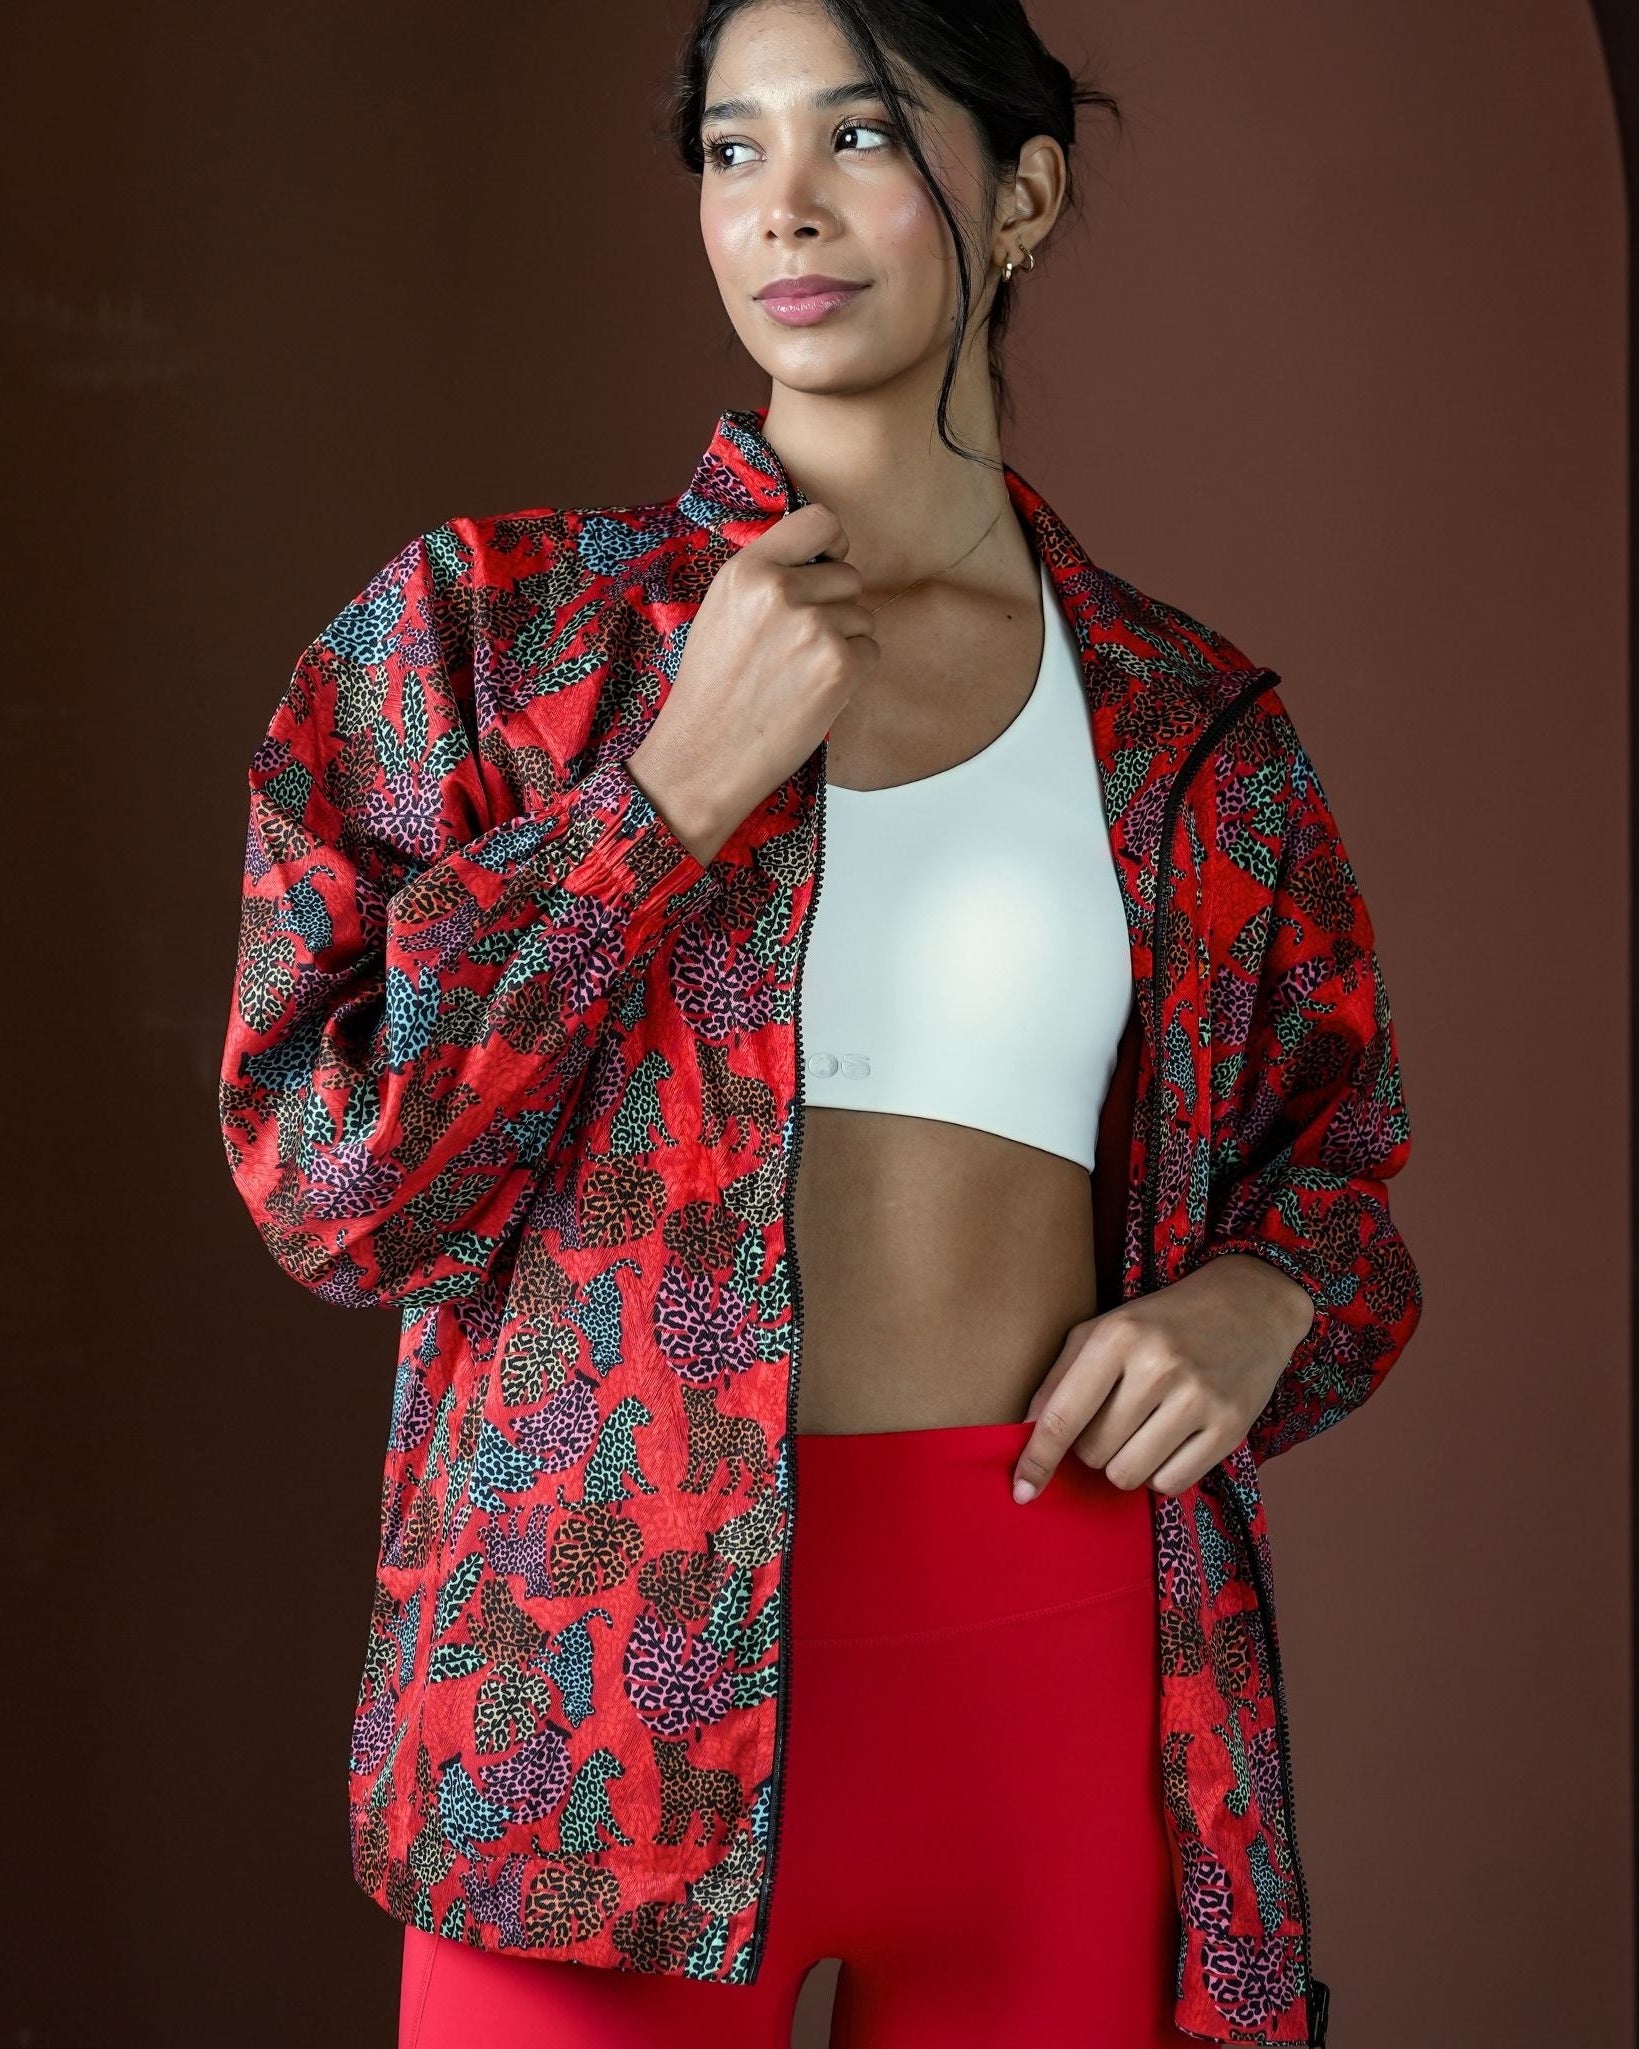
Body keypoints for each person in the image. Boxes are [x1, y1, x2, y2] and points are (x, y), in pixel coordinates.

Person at [218, 2, 1423, 2046]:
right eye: (731, 147)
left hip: (1053, 1670)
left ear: (1021, 194)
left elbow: (1343, 1193)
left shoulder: (1186, 729)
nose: (781, 203)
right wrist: (660, 803)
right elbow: (331, 1188)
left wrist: (1263, 1296)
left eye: (860, 136)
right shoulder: (494, 635)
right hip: (589, 1697)